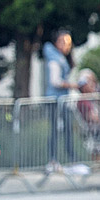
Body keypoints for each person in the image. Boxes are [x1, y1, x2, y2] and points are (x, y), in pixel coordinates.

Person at [42, 29, 75, 171]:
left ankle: (71, 159)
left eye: (68, 43)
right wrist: (74, 85)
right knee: (55, 131)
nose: (65, 45)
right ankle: (53, 159)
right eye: (62, 41)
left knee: (67, 129)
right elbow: (55, 81)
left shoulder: (62, 58)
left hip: (62, 100)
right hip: (55, 100)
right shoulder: (54, 58)